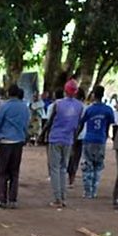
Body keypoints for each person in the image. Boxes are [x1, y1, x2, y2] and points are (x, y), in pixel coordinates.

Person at [0, 85, 29, 208]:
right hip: (18, 142)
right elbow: (26, 124)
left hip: (5, 142)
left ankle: (2, 199)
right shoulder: (24, 107)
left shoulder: (5, 106)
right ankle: (13, 200)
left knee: (2, 172)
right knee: (14, 172)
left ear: (8, 93)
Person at [45, 79, 83, 208]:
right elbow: (78, 125)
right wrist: (74, 137)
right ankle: (63, 197)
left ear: (65, 91)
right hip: (68, 139)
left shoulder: (58, 104)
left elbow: (50, 122)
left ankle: (57, 198)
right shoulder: (79, 106)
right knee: (63, 168)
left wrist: (42, 135)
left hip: (55, 137)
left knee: (54, 168)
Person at [78, 85, 115, 199]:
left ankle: (87, 191)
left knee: (87, 165)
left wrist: (76, 135)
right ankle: (94, 191)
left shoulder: (89, 109)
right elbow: (110, 124)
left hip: (89, 139)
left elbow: (81, 123)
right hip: (101, 139)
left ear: (94, 95)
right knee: (98, 166)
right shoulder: (108, 110)